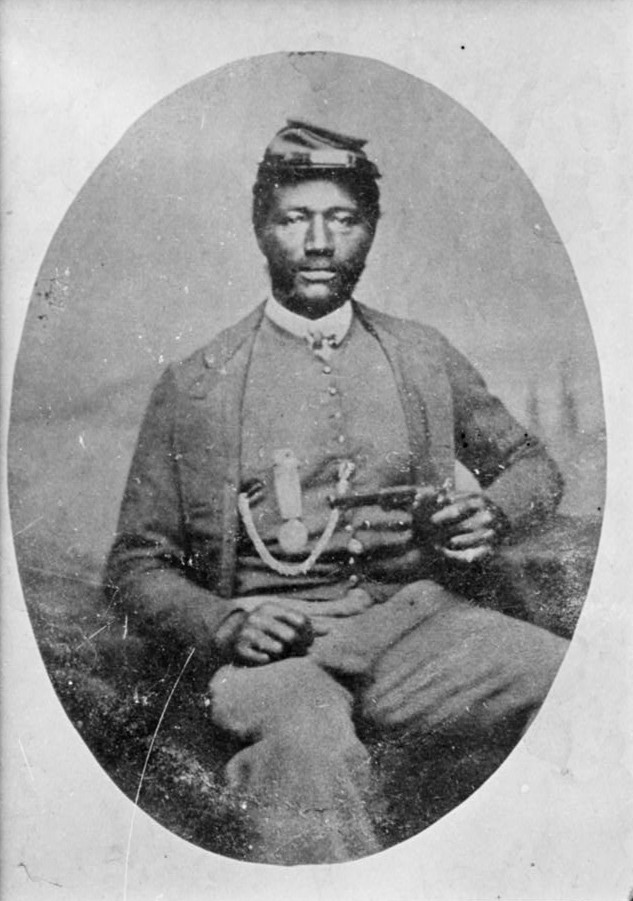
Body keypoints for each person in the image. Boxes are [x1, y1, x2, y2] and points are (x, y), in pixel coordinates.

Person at [106, 120, 569, 865]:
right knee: (308, 747)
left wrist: (493, 509)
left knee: (573, 681)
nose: (319, 243)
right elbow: (134, 564)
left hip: (416, 625)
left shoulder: (421, 355)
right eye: (295, 219)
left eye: (342, 220)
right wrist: (224, 622)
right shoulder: (197, 384)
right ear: (262, 228)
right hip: (273, 658)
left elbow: (531, 465)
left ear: (369, 231)